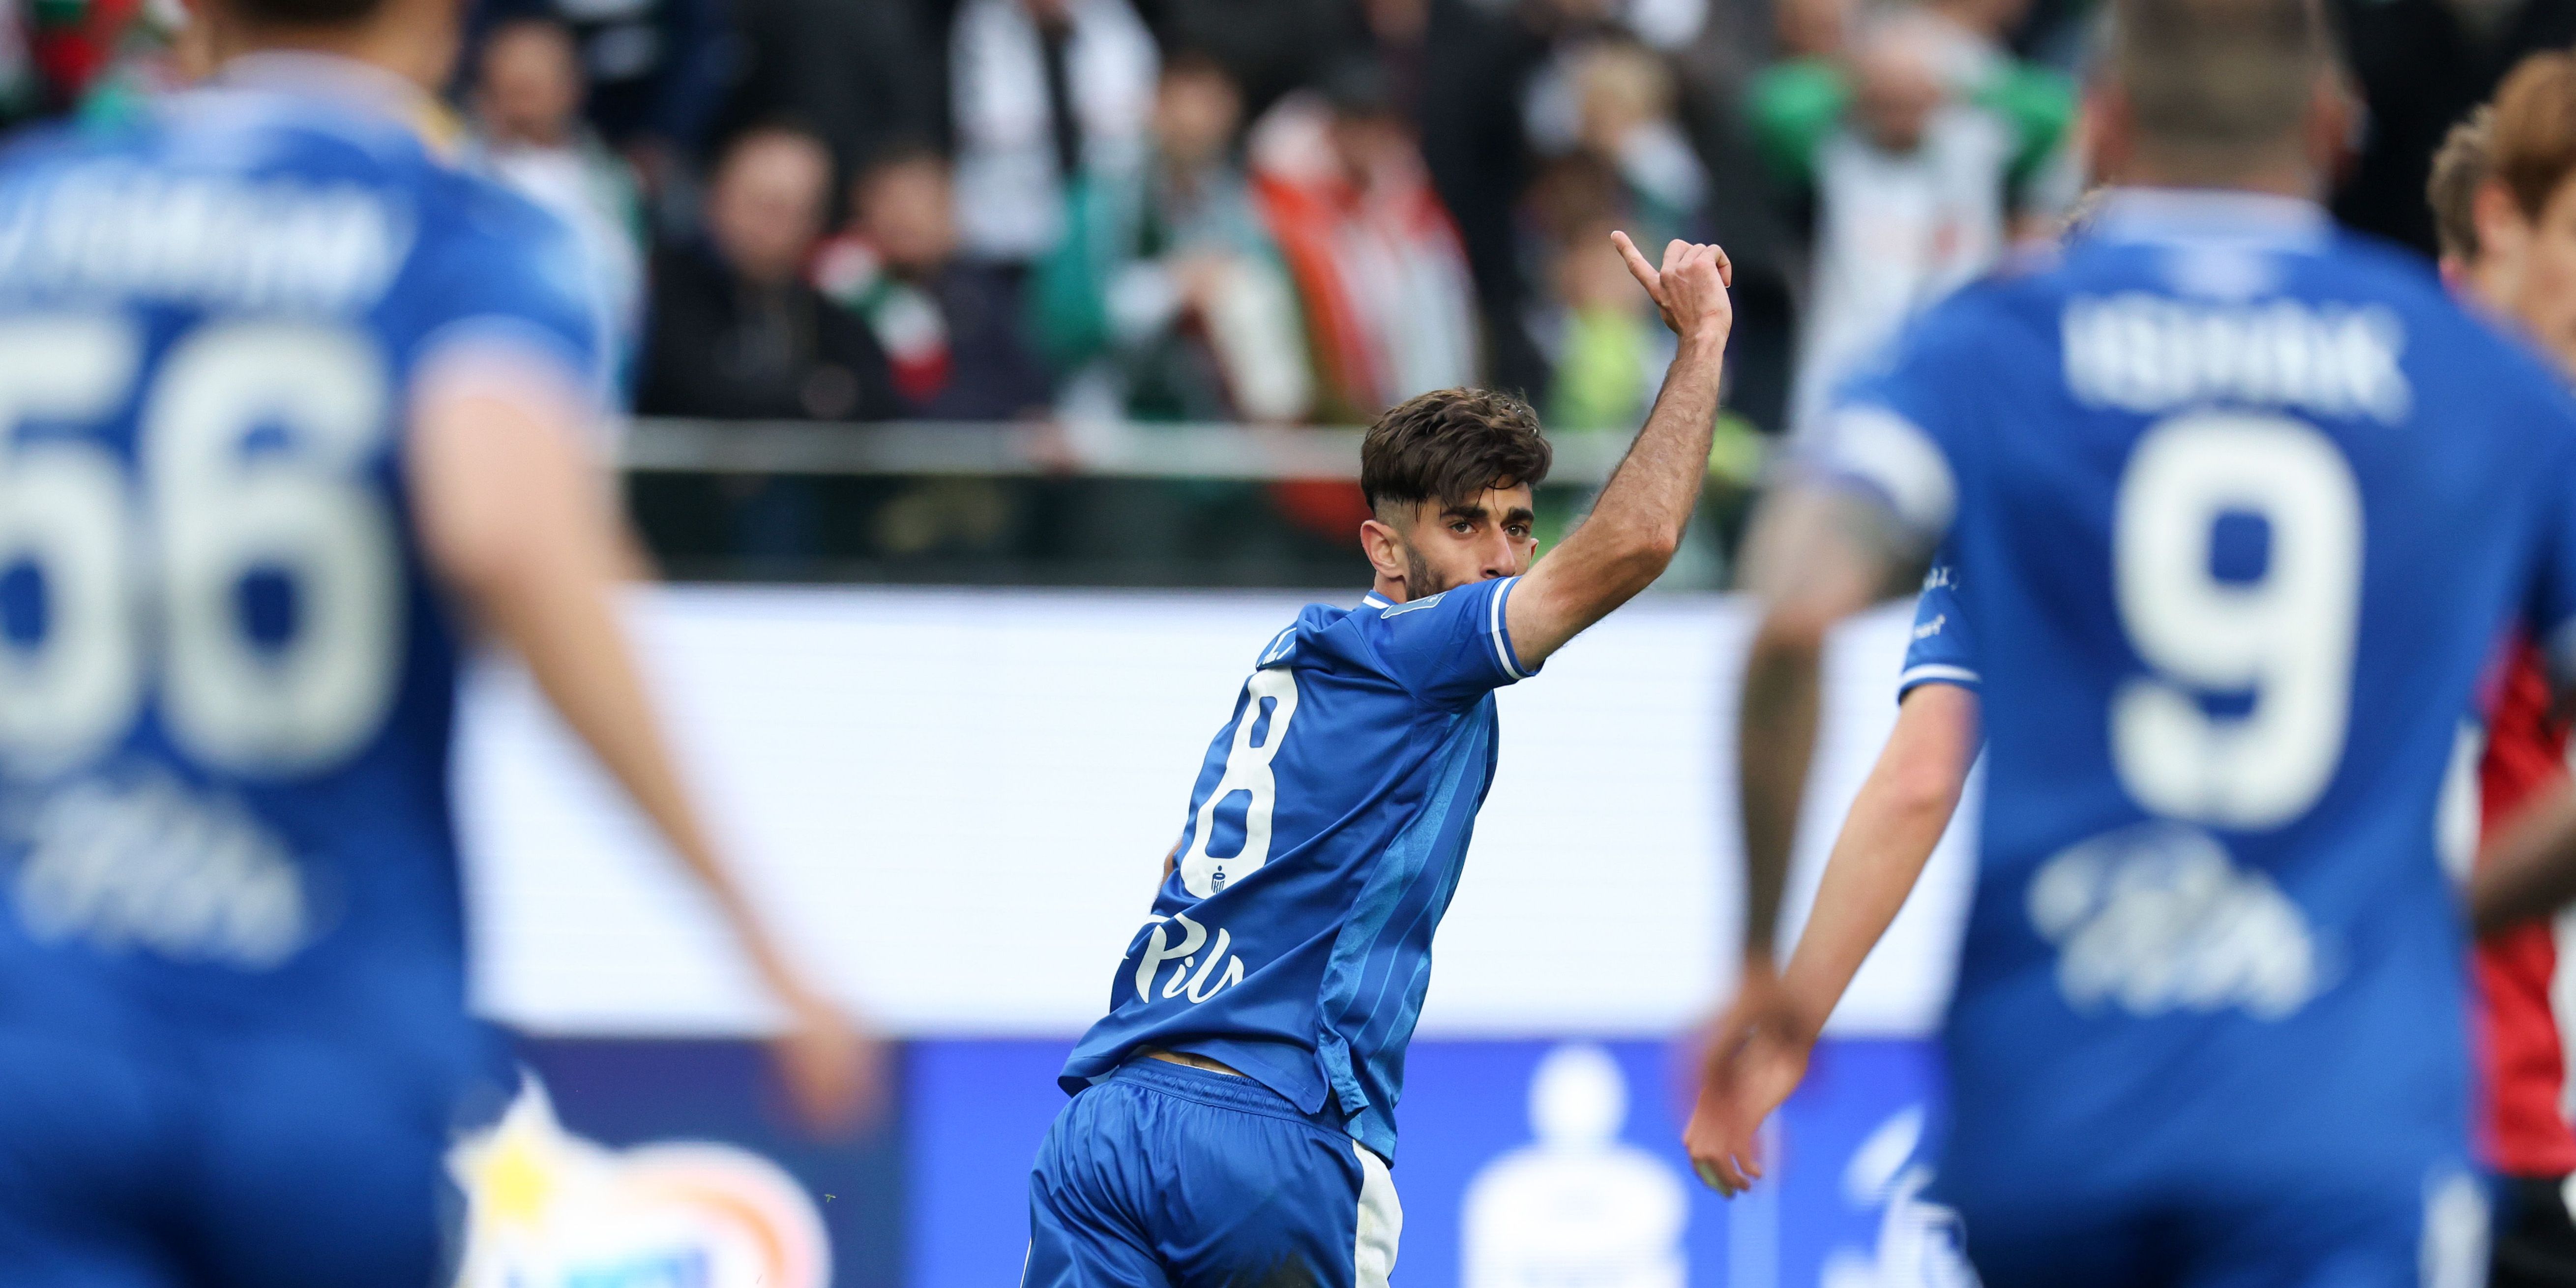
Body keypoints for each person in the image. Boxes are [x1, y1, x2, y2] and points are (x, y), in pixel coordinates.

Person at [1688, 0, 2576, 1280]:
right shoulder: (2470, 381)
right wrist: (2411, 917)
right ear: (2334, 128)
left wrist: (1756, 961)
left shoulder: (1990, 348)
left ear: (2100, 121)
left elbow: (1790, 615)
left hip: (2055, 1104)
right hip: (2339, 1118)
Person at [0, 0, 875, 1281]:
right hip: (321, 1036)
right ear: (438, 23)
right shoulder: (467, 236)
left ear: (192, 19)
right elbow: (501, 526)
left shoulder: (28, 212)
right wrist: (753, 932)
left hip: (40, 1028)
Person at [1024, 229, 1734, 1286]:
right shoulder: (1417, 652)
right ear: (1385, 549)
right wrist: (1703, 341)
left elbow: (1181, 861)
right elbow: (1637, 541)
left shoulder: (1297, 659)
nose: (1500, 557)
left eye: (1517, 526)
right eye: (1463, 526)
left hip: (1109, 1122)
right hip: (1273, 1134)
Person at [468, 16, 646, 392]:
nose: (521, 107)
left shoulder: (614, 188)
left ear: (572, 89)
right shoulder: (453, 177)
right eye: (506, 89)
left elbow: (629, 306)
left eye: (531, 89)